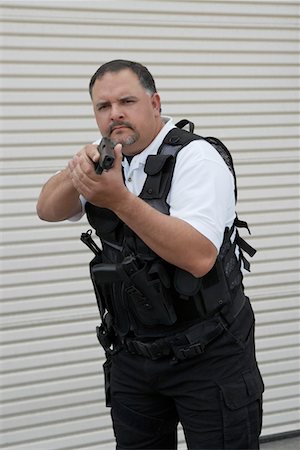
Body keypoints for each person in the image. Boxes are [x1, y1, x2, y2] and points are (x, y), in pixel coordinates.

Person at [37, 59, 264, 450]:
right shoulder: (106, 159)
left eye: (127, 101)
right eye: (103, 107)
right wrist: (77, 168)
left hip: (209, 351)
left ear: (155, 103)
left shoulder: (197, 159)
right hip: (132, 354)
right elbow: (48, 209)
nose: (115, 114)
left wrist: (120, 199)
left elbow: (198, 256)